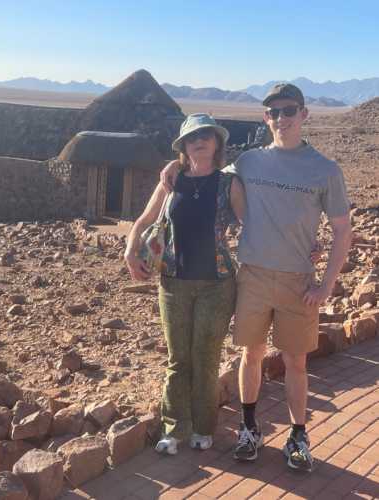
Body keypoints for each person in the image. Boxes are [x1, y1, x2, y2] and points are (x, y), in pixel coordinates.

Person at [160, 83, 352, 471]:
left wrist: (326, 284)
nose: (282, 118)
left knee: (296, 362)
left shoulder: (325, 170)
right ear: (266, 118)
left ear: (304, 115)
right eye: (274, 112)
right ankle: (250, 428)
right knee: (251, 355)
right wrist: (174, 166)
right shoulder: (248, 163)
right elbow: (205, 171)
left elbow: (343, 230)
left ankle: (298, 435)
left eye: (289, 110)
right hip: (252, 277)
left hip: (298, 280)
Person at [125, 114, 246, 455]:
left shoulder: (229, 183)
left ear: (217, 143)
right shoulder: (171, 181)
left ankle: (204, 428)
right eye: (192, 136)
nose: (200, 140)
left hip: (216, 284)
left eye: (206, 135)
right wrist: (129, 250)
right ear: (183, 146)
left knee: (205, 358)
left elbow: (252, 226)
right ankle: (173, 428)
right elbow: (144, 220)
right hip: (173, 284)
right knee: (178, 359)